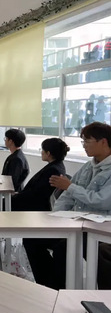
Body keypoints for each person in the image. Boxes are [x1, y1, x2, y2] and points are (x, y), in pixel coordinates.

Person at [46, 122, 111, 289]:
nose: (84, 146)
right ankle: (47, 287)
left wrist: (70, 187)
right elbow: (67, 196)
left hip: (99, 228)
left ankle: (60, 290)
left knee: (64, 248)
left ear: (103, 142)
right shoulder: (88, 166)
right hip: (76, 224)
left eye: (87, 141)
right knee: (35, 240)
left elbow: (101, 200)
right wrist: (54, 217)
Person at [11, 138, 69, 211]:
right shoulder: (57, 166)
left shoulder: (53, 170)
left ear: (48, 153)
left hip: (33, 205)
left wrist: (16, 196)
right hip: (31, 201)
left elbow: (37, 194)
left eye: (42, 150)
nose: (41, 152)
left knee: (2, 203)